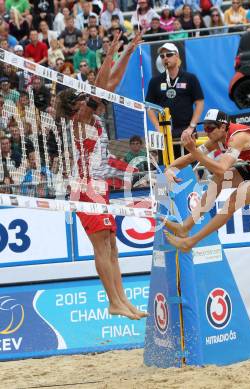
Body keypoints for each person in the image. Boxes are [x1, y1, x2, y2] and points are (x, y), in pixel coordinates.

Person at [56, 31, 147, 320]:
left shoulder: (92, 118)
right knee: (101, 244)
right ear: (76, 107)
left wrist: (128, 52)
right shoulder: (77, 121)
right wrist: (110, 53)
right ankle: (114, 301)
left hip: (99, 186)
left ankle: (122, 300)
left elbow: (110, 85)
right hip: (83, 188)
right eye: (83, 99)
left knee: (112, 245)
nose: (89, 100)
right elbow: (99, 89)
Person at [163, 109, 250, 252]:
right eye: (204, 128)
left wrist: (193, 150)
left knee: (233, 200)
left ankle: (189, 242)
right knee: (219, 179)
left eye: (210, 128)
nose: (206, 132)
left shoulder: (238, 137)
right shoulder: (217, 139)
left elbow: (220, 168)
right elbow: (189, 159)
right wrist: (169, 169)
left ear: (223, 127)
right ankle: (185, 227)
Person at [146, 42, 204, 159]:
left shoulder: (190, 78)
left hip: (186, 130)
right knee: (165, 169)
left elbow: (199, 103)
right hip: (165, 132)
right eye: (162, 56)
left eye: (169, 54)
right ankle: (165, 178)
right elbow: (149, 107)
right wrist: (158, 128)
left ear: (177, 56)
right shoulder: (155, 81)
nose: (165, 58)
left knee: (190, 167)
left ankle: (193, 177)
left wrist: (191, 127)